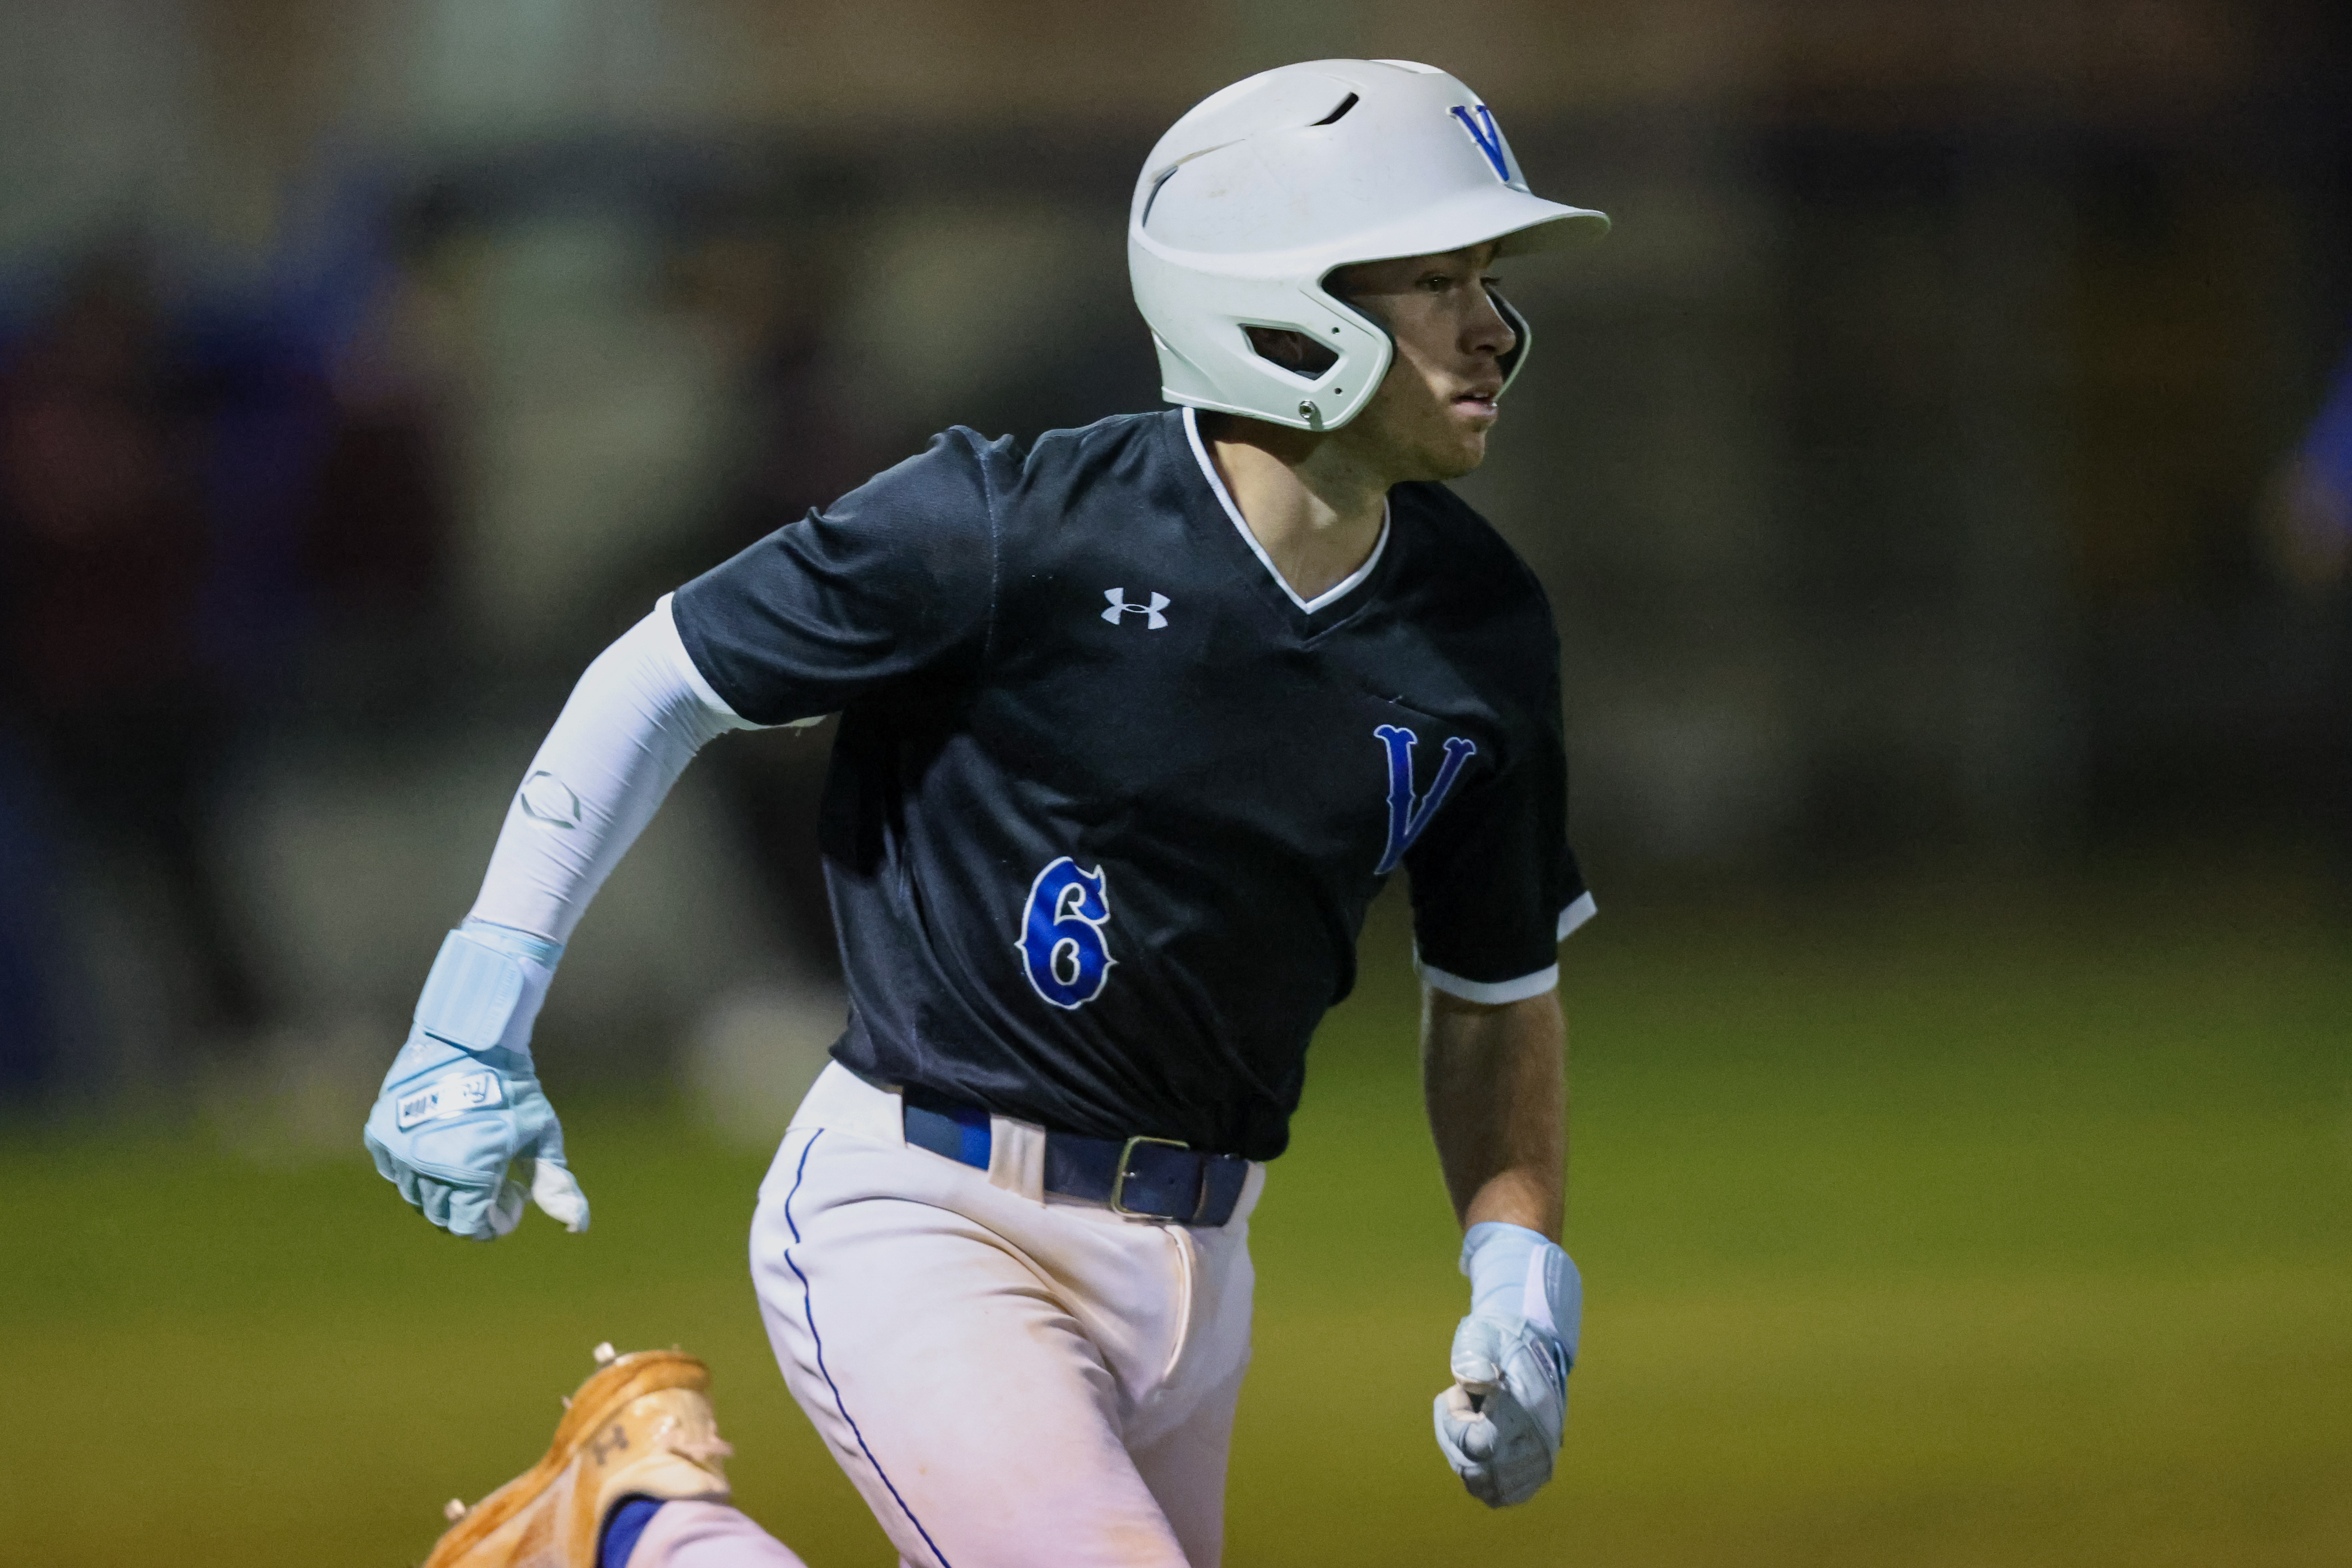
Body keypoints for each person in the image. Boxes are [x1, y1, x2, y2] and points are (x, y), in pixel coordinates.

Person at [372, 59, 1609, 1568]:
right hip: (929, 1212)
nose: (1495, 326)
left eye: (1488, 277)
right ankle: (641, 1545)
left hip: (1201, 1267)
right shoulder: (1007, 524)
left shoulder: (1482, 623)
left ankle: (622, 1541)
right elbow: (662, 675)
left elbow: (1494, 992)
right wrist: (474, 1012)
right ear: (1281, 303)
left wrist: (1515, 1262)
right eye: (1437, 278)